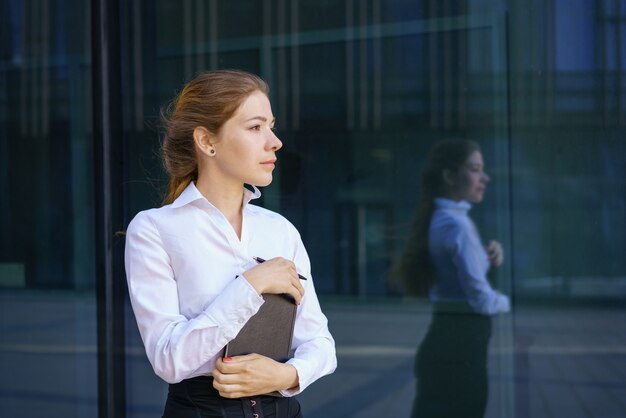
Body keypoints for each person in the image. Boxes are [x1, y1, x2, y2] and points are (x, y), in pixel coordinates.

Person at [124, 69, 337, 418]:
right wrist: (251, 284)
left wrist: (286, 374)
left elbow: (320, 343)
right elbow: (168, 360)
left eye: (271, 125)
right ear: (207, 141)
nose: (274, 141)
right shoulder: (154, 230)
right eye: (255, 127)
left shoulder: (280, 231)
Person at [393, 139, 510, 418]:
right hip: (461, 351)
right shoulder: (457, 225)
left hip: (447, 343)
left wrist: (486, 257)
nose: (485, 177)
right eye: (474, 169)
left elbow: (458, 275)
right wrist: (508, 302)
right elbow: (481, 300)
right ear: (449, 176)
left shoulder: (443, 218)